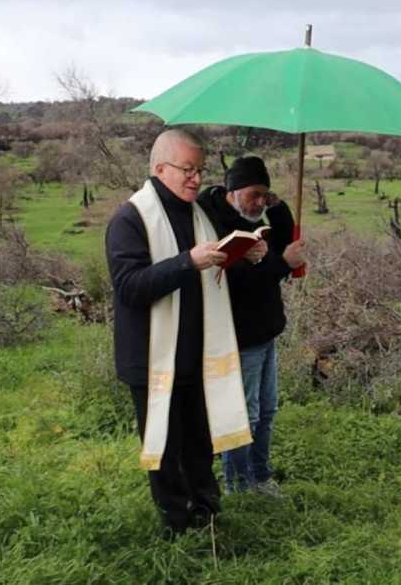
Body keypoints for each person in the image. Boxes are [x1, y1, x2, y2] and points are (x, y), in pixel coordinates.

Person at [105, 129, 252, 535]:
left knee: (199, 443)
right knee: (167, 450)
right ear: (159, 168)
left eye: (200, 170)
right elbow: (130, 288)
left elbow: (210, 271)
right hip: (152, 358)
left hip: (197, 353)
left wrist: (242, 254)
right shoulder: (130, 218)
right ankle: (177, 523)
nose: (195, 179)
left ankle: (207, 512)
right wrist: (188, 261)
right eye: (187, 169)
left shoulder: (198, 214)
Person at [197, 156, 306, 496]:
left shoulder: (259, 217)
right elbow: (232, 279)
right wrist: (279, 265)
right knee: (244, 414)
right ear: (234, 190)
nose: (260, 202)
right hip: (238, 334)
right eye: (255, 194)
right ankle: (238, 485)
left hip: (267, 329)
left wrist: (280, 205)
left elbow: (284, 245)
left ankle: (260, 476)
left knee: (268, 409)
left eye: (265, 195)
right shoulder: (210, 221)